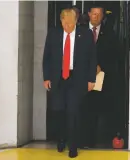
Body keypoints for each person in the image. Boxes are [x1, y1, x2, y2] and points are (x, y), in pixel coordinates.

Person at [42, 8, 97, 158]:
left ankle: (73, 146)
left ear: (76, 22)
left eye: (71, 24)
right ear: (61, 21)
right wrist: (46, 78)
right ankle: (61, 139)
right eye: (65, 23)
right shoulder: (53, 34)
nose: (68, 27)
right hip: (58, 79)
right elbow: (46, 57)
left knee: (73, 112)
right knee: (59, 111)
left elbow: (92, 58)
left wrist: (91, 79)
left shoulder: (85, 34)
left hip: (76, 79)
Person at [81, 5, 119, 148]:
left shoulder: (109, 33)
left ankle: (96, 139)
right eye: (94, 14)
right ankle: (82, 139)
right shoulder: (81, 31)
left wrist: (101, 65)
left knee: (97, 107)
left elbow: (114, 54)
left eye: (99, 14)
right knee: (82, 107)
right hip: (83, 76)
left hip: (102, 77)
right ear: (89, 14)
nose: (96, 17)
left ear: (103, 16)